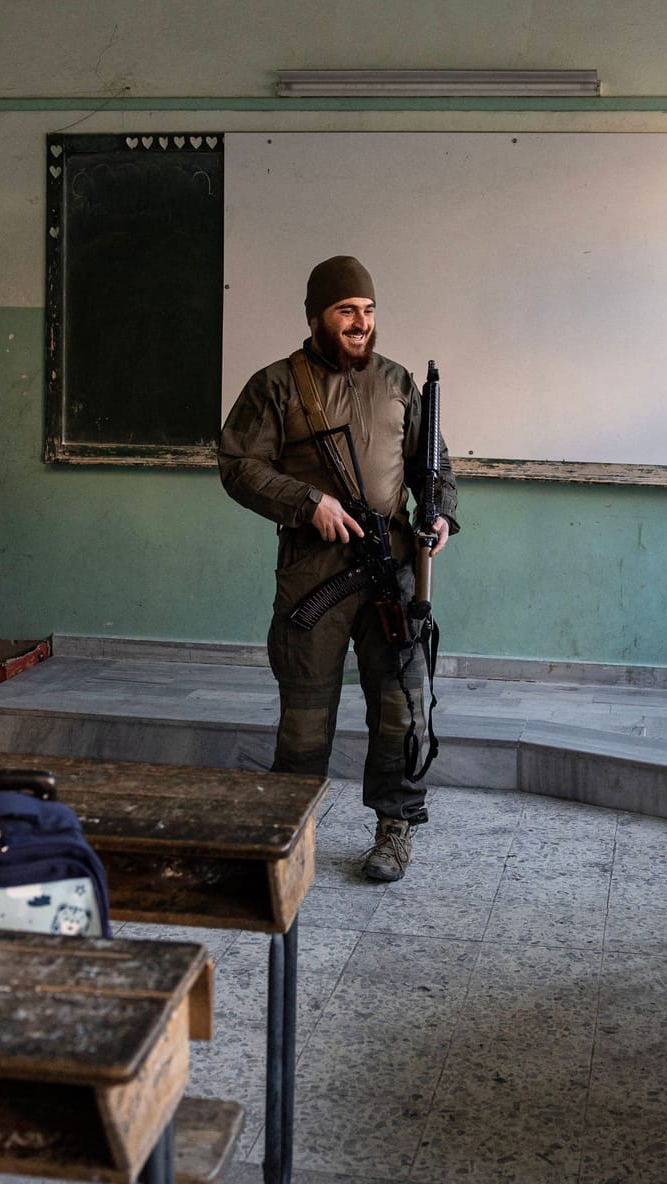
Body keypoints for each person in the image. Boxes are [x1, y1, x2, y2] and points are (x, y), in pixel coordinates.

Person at [217, 255, 457, 883]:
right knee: (305, 711)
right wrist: (308, 502)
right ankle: (292, 832)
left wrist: (441, 517)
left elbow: (433, 466)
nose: (360, 322)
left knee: (402, 705)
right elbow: (239, 465)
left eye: (368, 311)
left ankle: (394, 829)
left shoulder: (400, 382)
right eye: (346, 310)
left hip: (391, 570)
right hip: (314, 574)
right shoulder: (276, 385)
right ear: (317, 316)